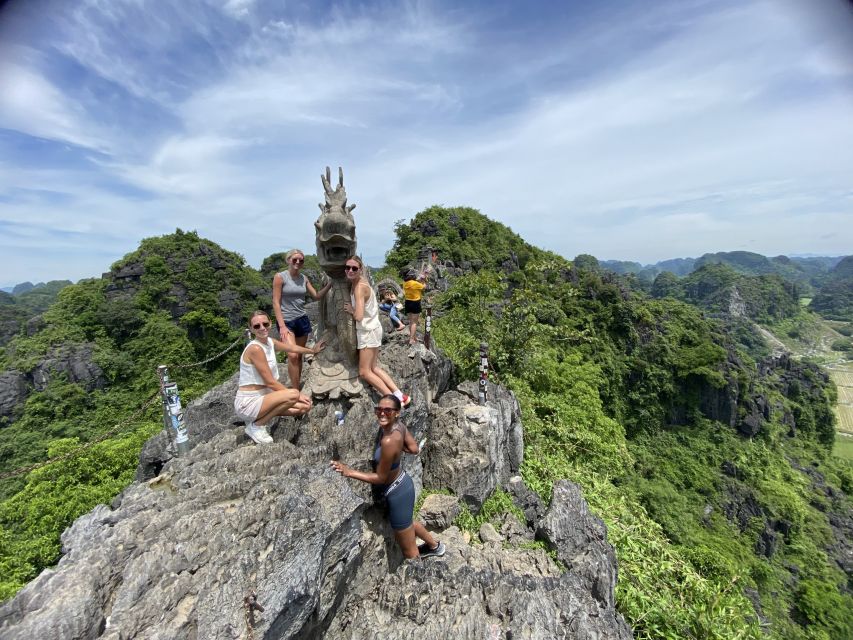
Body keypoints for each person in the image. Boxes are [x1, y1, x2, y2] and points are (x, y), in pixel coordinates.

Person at [330, 395, 445, 559]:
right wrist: (398, 450)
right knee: (406, 522)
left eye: (388, 410)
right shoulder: (400, 427)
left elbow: (381, 478)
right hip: (403, 483)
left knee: (409, 552)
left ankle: (419, 578)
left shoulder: (389, 440)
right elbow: (413, 449)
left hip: (395, 492)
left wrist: (349, 472)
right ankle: (435, 547)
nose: (382, 413)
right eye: (379, 409)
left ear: (397, 413)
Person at [234, 310, 325, 444]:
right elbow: (270, 382)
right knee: (294, 395)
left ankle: (259, 418)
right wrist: (298, 395)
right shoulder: (255, 349)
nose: (262, 328)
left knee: (303, 408)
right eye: (257, 326)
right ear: (252, 329)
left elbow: (291, 348)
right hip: (249, 403)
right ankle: (256, 426)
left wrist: (312, 351)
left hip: (264, 399)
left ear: (270, 323)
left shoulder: (270, 342)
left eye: (265, 323)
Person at [343, 256, 410, 406]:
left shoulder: (359, 287)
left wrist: (350, 309)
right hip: (373, 328)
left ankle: (394, 400)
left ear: (361, 269)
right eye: (347, 268)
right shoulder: (360, 283)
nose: (350, 271)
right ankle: (400, 395)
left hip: (367, 331)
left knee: (365, 372)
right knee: (374, 367)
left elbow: (359, 316)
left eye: (354, 268)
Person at [273, 249, 331, 389]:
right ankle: (295, 391)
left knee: (299, 356)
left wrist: (331, 284)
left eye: (301, 260)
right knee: (292, 355)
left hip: (301, 319)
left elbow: (316, 296)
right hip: (287, 321)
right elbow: (276, 302)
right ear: (288, 260)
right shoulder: (280, 277)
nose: (298, 262)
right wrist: (282, 326)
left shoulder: (303, 278)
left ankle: (296, 384)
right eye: (295, 259)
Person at [402, 269, 426, 345]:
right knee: (414, 322)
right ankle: (411, 339)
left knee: (411, 322)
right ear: (412, 276)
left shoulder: (405, 283)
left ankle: (414, 337)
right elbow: (424, 287)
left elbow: (415, 284)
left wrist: (420, 279)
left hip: (407, 302)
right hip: (415, 303)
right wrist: (423, 280)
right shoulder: (415, 283)